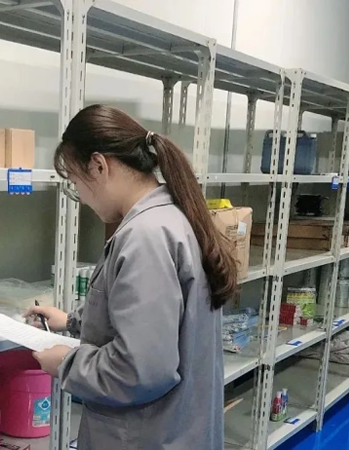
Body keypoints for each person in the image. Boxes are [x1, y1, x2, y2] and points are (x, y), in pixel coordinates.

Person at [25, 105, 237, 450]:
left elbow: (139, 370)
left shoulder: (144, 237)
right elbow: (151, 323)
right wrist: (73, 321)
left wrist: (66, 363)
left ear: (99, 165)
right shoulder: (170, 217)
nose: (81, 198)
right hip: (177, 429)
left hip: (147, 436)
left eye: (76, 183)